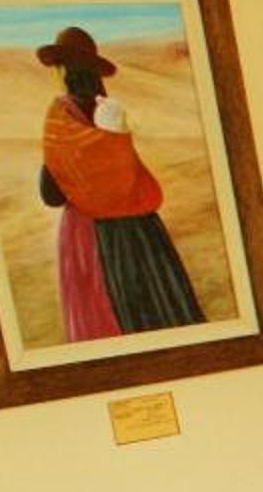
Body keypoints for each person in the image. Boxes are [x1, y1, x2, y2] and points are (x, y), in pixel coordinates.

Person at [34, 26, 202, 335]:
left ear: (63, 71)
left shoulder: (62, 118)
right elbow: (131, 175)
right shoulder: (110, 111)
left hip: (90, 234)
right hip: (140, 231)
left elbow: (51, 195)